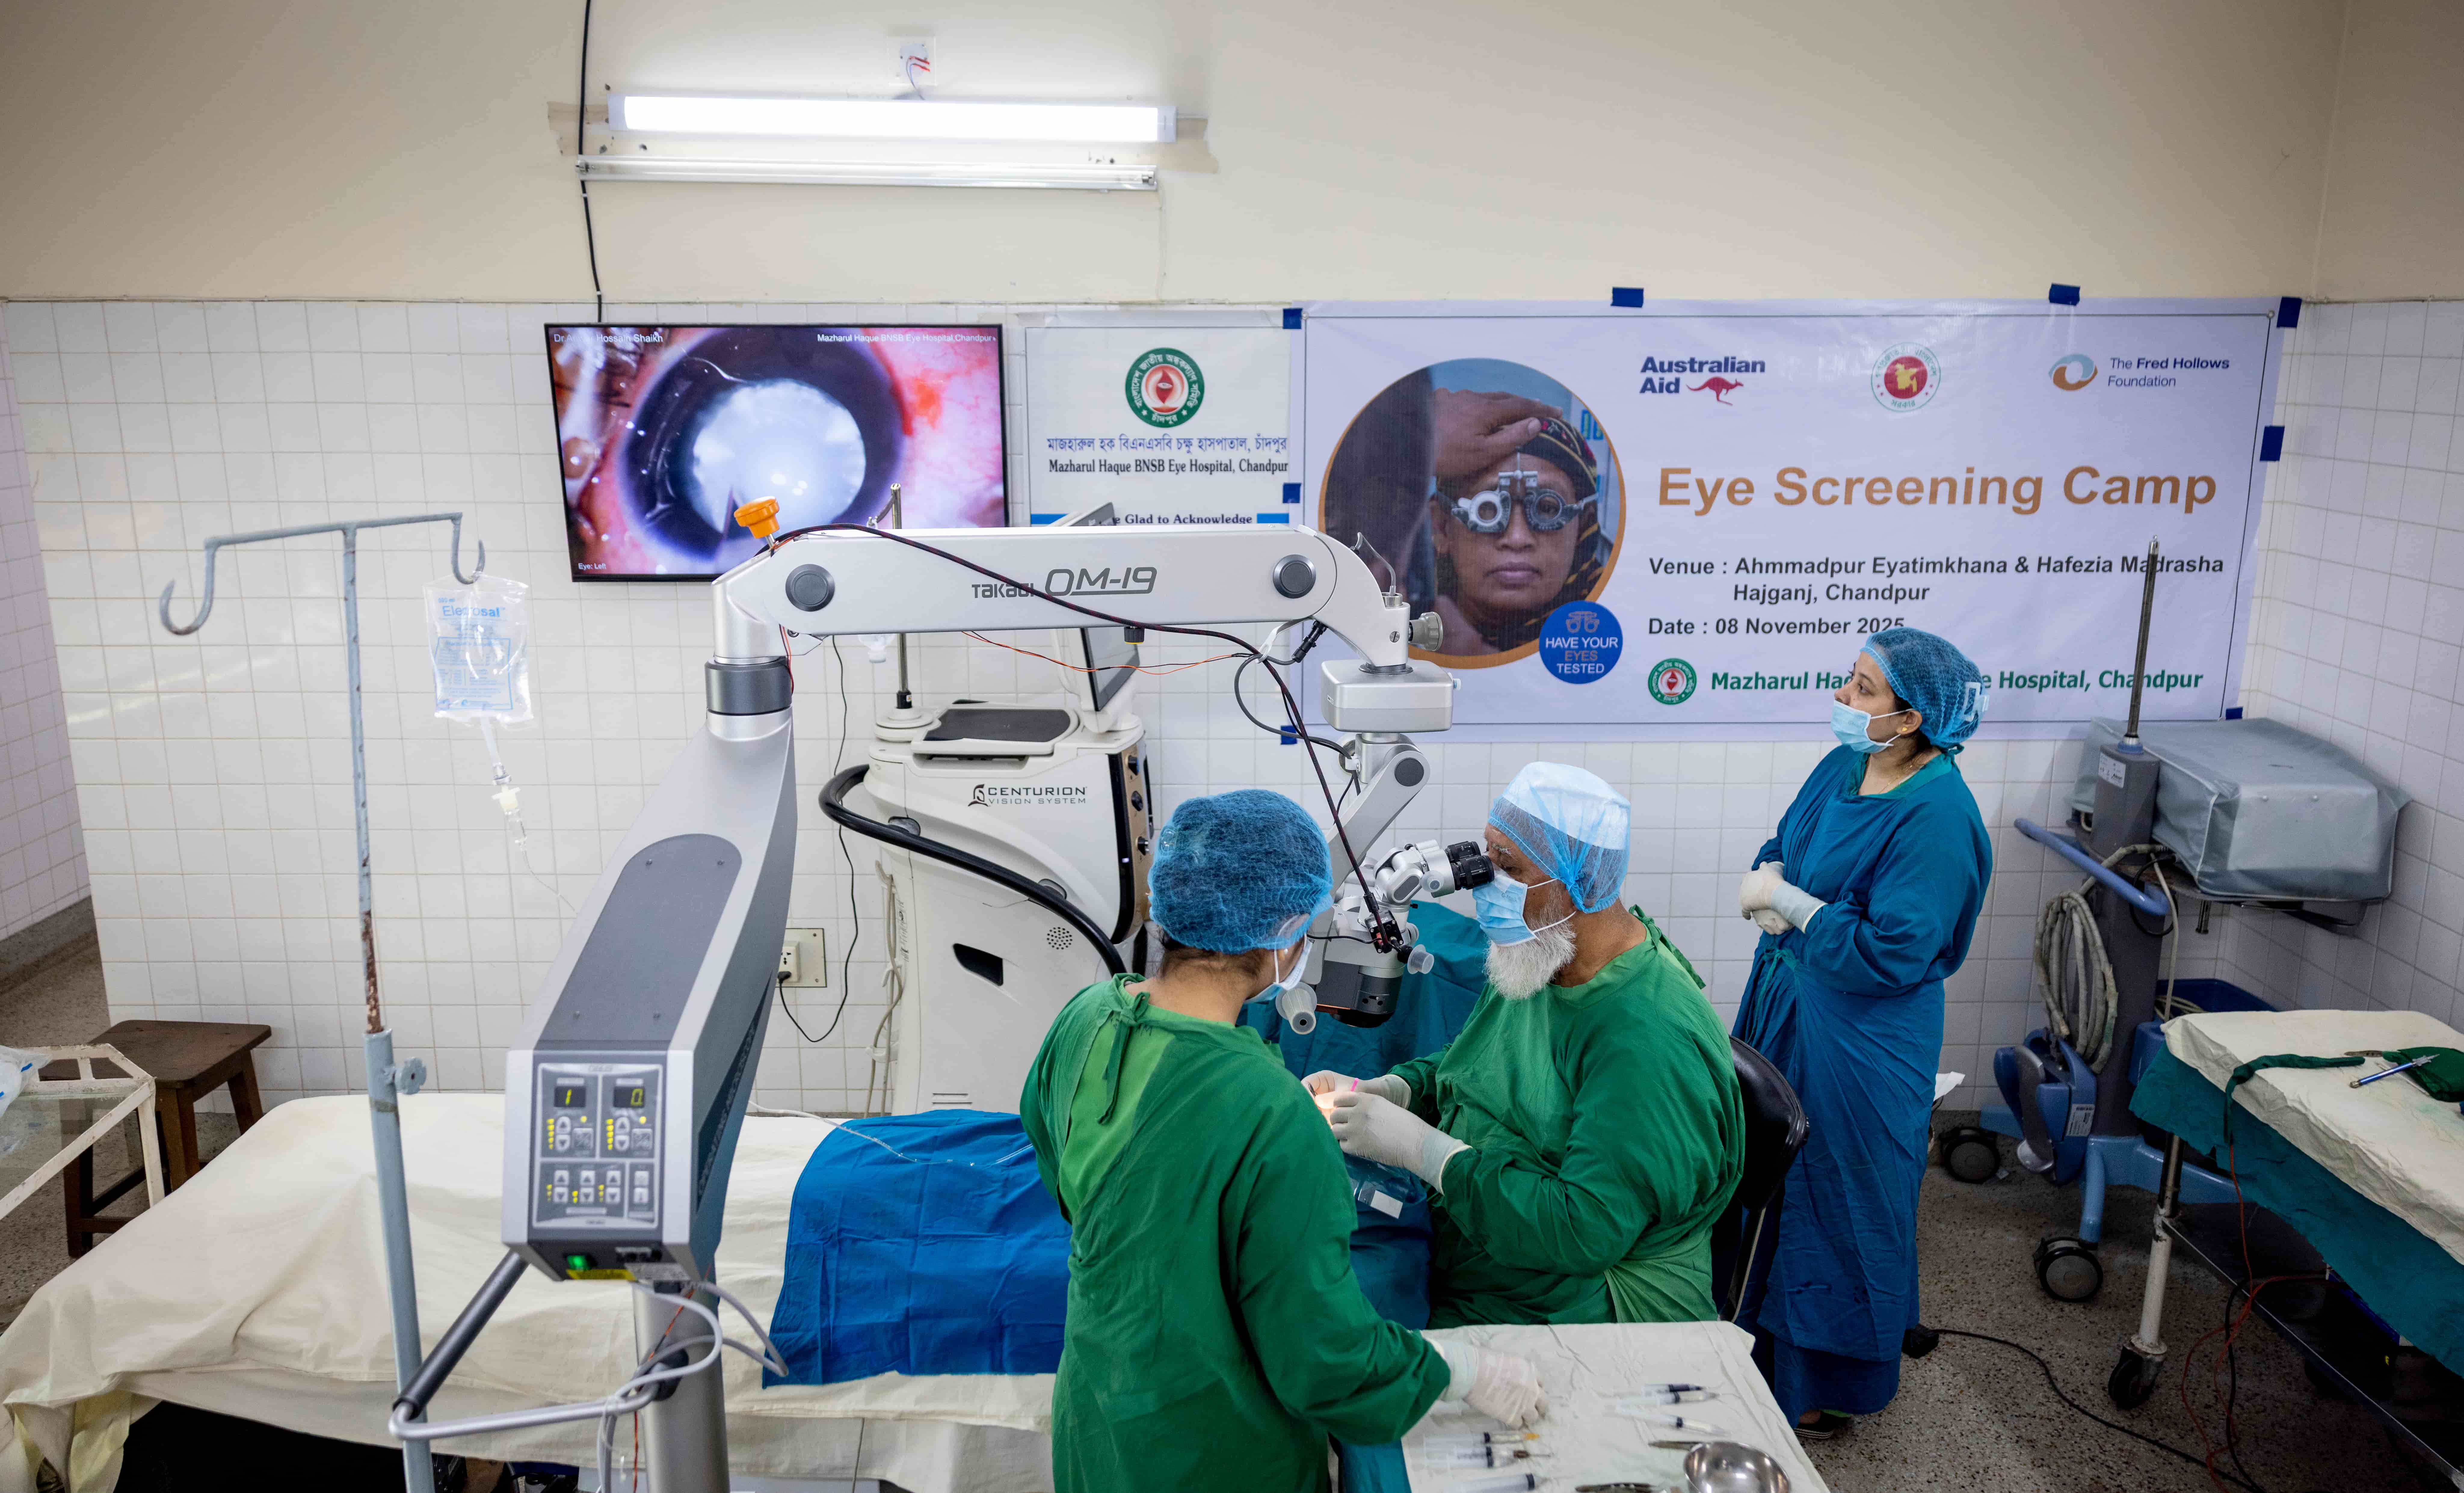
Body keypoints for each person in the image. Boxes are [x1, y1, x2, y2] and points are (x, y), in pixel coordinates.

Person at [1020, 789, 1545, 1493]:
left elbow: (1070, 1178)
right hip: (1215, 1451)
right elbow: (1324, 1358)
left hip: (1101, 1418)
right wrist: (1459, 1373)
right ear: (1291, 928)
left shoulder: (1085, 1018)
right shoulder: (1269, 1109)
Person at [1309, 763, 1744, 1326]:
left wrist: (1426, 1152)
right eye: (1485, 857)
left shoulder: (1643, 1038)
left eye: (1507, 866)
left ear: (1576, 884)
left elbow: (1584, 1231)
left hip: (1584, 1301)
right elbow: (1484, 1062)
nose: (1483, 882)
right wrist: (1397, 1091)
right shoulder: (1544, 956)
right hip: (1490, 1243)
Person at [1731, 627, 1994, 1436]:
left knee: (1840, 1197)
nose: (1844, 699)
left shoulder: (1937, 815)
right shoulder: (1844, 764)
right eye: (1850, 681)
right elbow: (1787, 841)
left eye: (1863, 690)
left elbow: (1895, 950)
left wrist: (1802, 909)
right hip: (1789, 1003)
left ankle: (1827, 1380)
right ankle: (1752, 1354)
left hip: (1863, 1039)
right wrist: (1775, 877)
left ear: (1912, 716)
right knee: (1766, 1178)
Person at [1426, 414, 1609, 656]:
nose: (1517, 539)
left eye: (1547, 509)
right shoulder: (1398, 622)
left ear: (1582, 526)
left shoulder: (1619, 623)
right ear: (1441, 527)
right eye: (1487, 509)